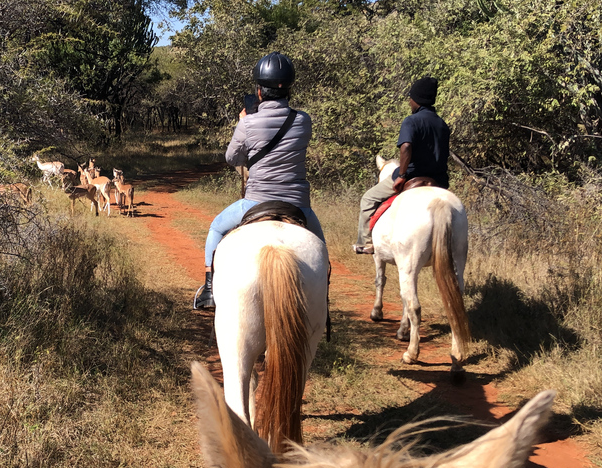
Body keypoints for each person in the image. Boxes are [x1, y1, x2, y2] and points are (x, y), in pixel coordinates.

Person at [193, 51, 326, 309]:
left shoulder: (248, 123)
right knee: (320, 248)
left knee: (216, 228)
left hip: (255, 202)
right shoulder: (304, 121)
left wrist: (244, 123)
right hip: (298, 205)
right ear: (288, 90)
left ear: (259, 91)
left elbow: (232, 158)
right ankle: (324, 300)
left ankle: (209, 290)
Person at [353, 76, 451, 255]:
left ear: (417, 100)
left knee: (368, 198)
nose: (409, 101)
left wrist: (402, 175)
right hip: (439, 180)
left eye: (411, 97)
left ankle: (365, 243)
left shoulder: (411, 121)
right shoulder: (442, 125)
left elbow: (406, 146)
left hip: (413, 176)